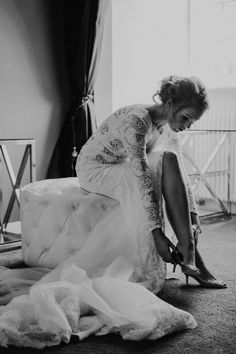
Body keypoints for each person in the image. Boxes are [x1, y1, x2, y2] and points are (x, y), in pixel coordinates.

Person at [76, 75, 226, 289]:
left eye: (192, 121)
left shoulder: (167, 126)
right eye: (186, 118)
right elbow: (143, 176)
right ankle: (189, 253)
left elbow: (179, 171)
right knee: (151, 174)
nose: (188, 125)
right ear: (171, 105)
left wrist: (193, 216)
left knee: (171, 159)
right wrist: (156, 233)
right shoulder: (137, 120)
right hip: (94, 169)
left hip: (120, 163)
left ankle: (189, 248)